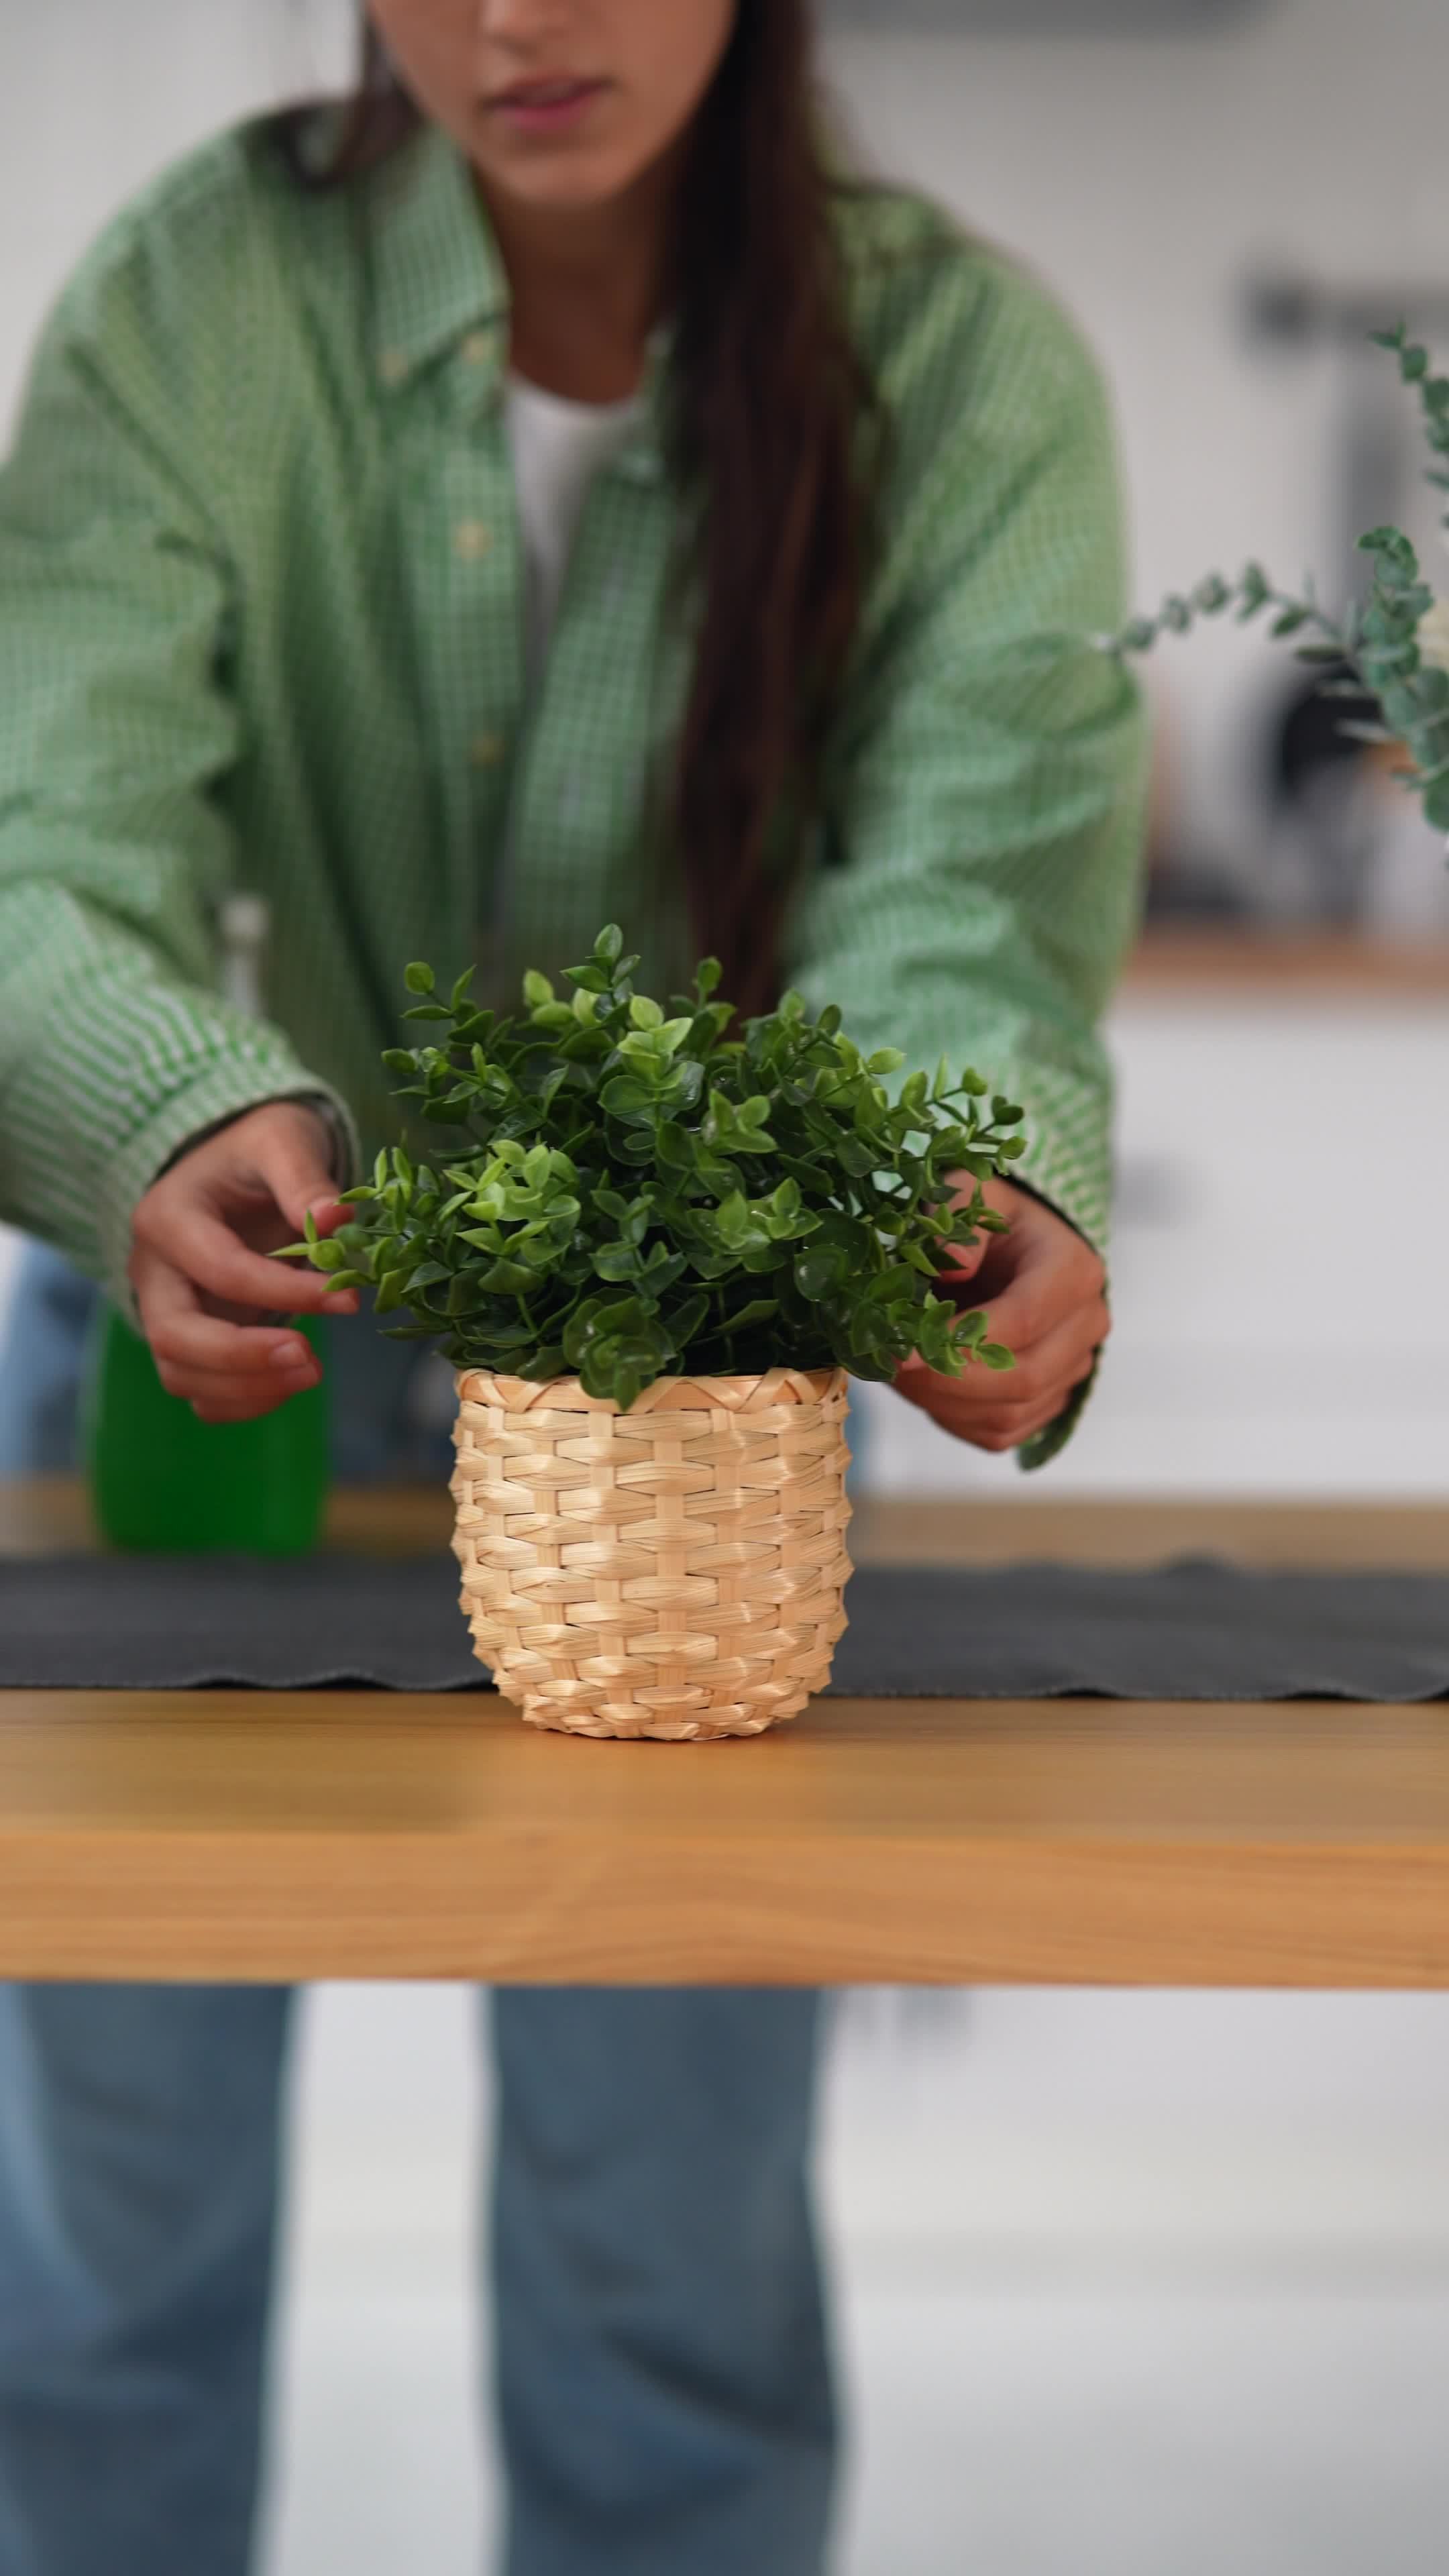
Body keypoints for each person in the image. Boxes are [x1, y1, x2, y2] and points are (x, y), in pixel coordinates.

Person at [0, 3, 1147, 2570]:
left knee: (672, 2253)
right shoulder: (198, 299)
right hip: (228, 1332)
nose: (522, 11)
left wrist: (960, 1184)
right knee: (98, 2243)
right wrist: (159, 1106)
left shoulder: (964, 376)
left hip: (699, 1409)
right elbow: (42, 829)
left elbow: (961, 907)